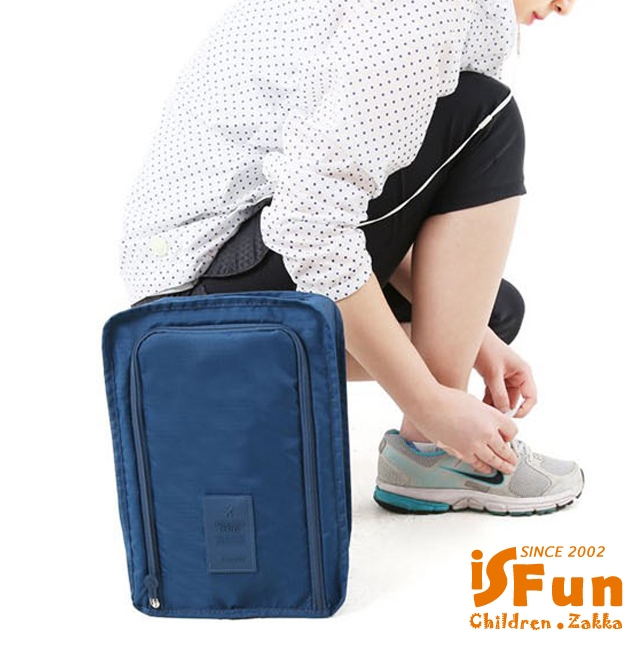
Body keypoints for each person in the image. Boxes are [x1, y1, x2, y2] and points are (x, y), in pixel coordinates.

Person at [120, 0, 584, 515]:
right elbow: (310, 224)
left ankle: (423, 446)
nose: (565, 7)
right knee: (485, 116)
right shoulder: (429, 8)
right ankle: (433, 454)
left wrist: (475, 337)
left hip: (213, 282)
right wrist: (430, 406)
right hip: (199, 298)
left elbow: (347, 210)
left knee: (489, 312)